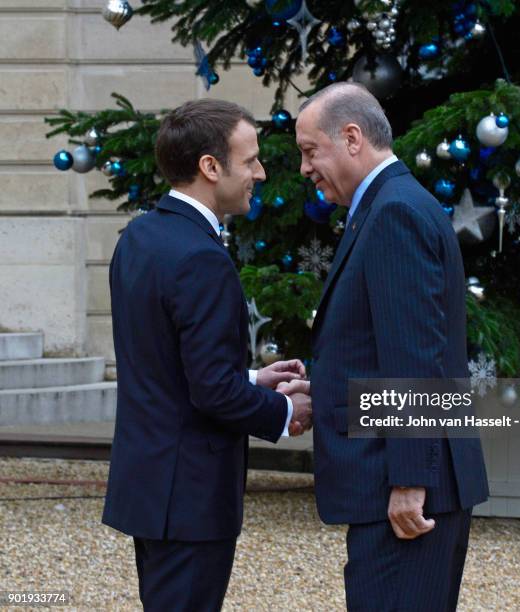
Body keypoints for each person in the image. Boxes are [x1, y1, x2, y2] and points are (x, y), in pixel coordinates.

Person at [102, 99, 312, 612]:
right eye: (250, 161)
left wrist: (252, 376)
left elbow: (164, 362)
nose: (260, 173)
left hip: (151, 486)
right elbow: (211, 391)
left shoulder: (141, 236)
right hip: (190, 497)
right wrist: (287, 412)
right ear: (210, 167)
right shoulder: (201, 256)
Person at [293, 82, 489, 611]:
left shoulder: (393, 212)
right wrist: (326, 389)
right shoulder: (384, 205)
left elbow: (415, 358)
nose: (305, 168)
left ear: (352, 137)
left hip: (405, 490)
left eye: (311, 152)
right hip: (402, 479)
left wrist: (409, 481)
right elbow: (384, 347)